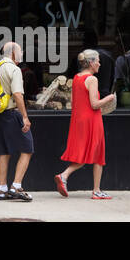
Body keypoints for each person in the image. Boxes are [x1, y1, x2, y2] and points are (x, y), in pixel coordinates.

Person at [56, 49, 110, 199]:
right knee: (97, 153)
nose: (99, 63)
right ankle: (95, 190)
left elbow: (76, 101)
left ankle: (65, 176)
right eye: (98, 60)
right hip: (92, 120)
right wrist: (110, 98)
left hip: (79, 119)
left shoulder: (77, 77)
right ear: (91, 62)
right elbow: (94, 104)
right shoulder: (92, 79)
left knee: (84, 153)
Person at [0, 42, 33, 201]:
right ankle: (16, 186)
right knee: (28, 148)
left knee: (4, 152)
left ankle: (2, 190)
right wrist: (24, 117)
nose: (22, 53)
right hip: (12, 113)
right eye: (20, 51)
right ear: (14, 53)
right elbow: (17, 95)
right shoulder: (14, 69)